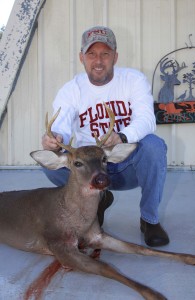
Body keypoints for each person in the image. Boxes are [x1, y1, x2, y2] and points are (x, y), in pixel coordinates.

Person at [42, 25, 169, 247]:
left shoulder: (133, 80)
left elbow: (148, 119)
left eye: (105, 54)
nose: (98, 61)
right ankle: (98, 200)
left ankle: (149, 219)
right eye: (91, 54)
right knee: (49, 161)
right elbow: (60, 126)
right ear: (81, 57)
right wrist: (54, 140)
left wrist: (122, 136)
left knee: (154, 146)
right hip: (89, 168)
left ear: (115, 56)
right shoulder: (71, 89)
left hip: (125, 162)